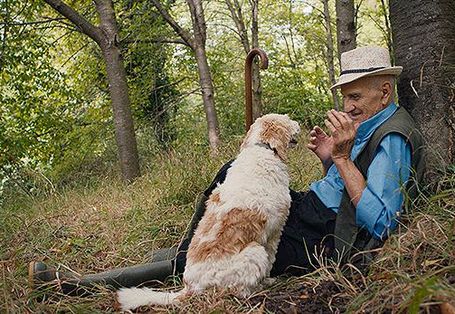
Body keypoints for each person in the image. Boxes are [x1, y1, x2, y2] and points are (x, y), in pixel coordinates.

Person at [29, 46, 425, 296]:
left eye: (355, 96)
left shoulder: (392, 138)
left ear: (384, 92)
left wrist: (340, 159)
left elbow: (383, 221)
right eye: (346, 97)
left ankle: (72, 285)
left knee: (221, 247)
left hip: (325, 235)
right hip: (311, 211)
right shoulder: (367, 125)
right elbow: (346, 184)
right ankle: (179, 256)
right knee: (231, 172)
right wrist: (328, 158)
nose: (349, 105)